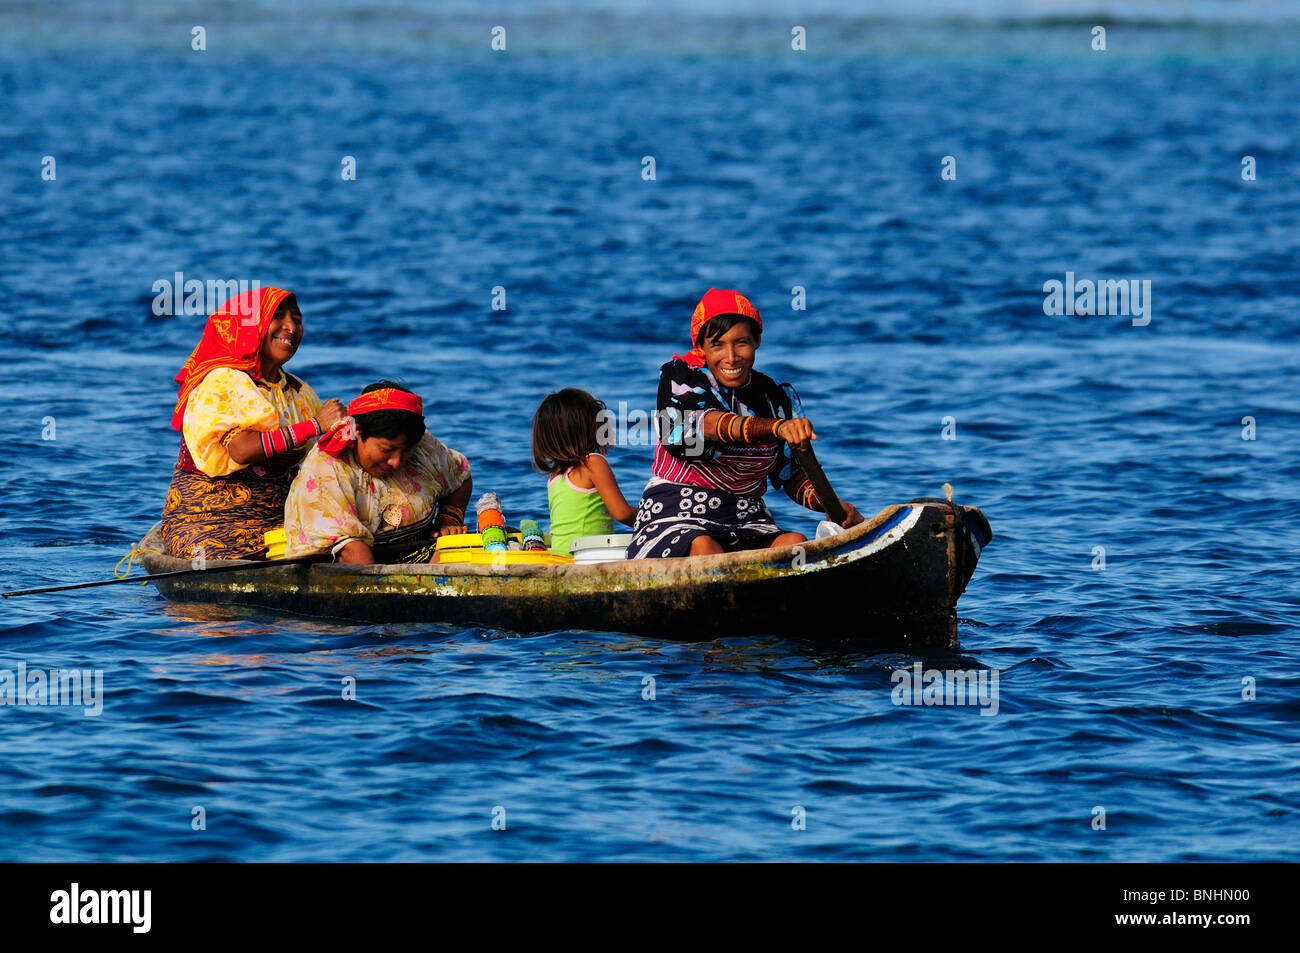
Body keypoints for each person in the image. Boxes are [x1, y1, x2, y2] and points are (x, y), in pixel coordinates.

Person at [628, 288, 864, 560]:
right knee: (706, 548)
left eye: (741, 343)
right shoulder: (681, 379)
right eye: (717, 345)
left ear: (757, 342)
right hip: (675, 515)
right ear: (701, 348)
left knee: (794, 544)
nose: (731, 357)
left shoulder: (776, 398)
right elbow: (708, 424)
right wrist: (776, 428)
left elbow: (791, 477)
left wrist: (830, 503)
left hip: (747, 520)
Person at [161, 287, 345, 560]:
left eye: (297, 319)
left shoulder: (297, 391)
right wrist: (316, 426)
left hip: (278, 523)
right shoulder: (223, 380)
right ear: (250, 326)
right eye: (278, 317)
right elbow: (242, 449)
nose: (291, 327)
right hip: (210, 524)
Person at [284, 381, 472, 563]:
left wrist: (449, 518)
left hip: (416, 553)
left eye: (406, 450)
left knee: (458, 553)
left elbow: (460, 476)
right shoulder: (326, 468)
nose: (396, 462)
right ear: (358, 431)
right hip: (350, 563)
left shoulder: (421, 445)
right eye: (386, 449)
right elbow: (351, 552)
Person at [531, 388, 637, 557]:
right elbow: (622, 513)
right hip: (584, 559)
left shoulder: (556, 475)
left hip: (559, 556)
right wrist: (652, 520)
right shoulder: (593, 463)